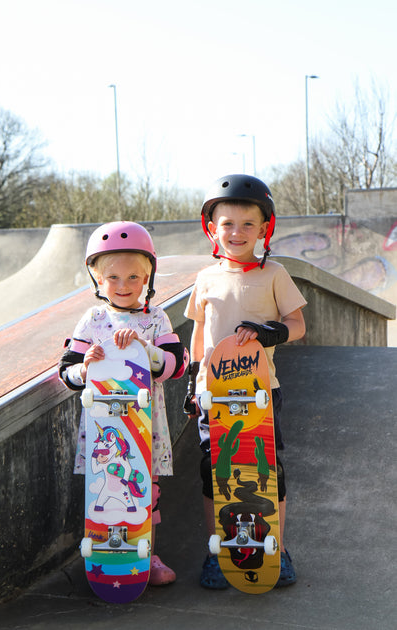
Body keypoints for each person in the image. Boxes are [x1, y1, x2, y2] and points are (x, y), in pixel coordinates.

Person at [184, 174, 307, 589]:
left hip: (259, 391)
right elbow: (199, 334)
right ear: (211, 229)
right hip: (213, 392)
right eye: (227, 224)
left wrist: (273, 332)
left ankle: (277, 546)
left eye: (247, 224)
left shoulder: (275, 273)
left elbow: (298, 324)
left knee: (267, 469)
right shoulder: (205, 278)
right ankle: (218, 551)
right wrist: (191, 384)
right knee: (214, 472)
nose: (236, 233)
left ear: (264, 229)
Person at [59, 221, 188, 586]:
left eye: (134, 277)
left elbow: (176, 365)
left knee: (144, 487)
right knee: (103, 486)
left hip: (144, 423)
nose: (124, 286)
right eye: (113, 278)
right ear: (98, 280)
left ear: (148, 277)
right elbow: (66, 372)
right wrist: (84, 368)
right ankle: (104, 552)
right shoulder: (93, 320)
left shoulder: (155, 318)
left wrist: (147, 351)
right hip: (104, 427)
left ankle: (147, 552)